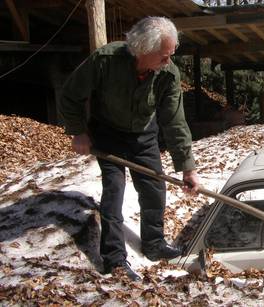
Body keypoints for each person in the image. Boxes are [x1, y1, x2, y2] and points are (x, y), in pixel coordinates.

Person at [59, 17, 200, 281]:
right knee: (114, 191)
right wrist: (78, 131)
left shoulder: (168, 74)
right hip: (108, 133)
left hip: (144, 135)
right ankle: (114, 259)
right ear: (142, 49)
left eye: (171, 54)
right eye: (163, 55)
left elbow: (174, 121)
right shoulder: (105, 60)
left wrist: (187, 167)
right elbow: (70, 95)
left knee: (153, 188)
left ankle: (154, 243)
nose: (168, 61)